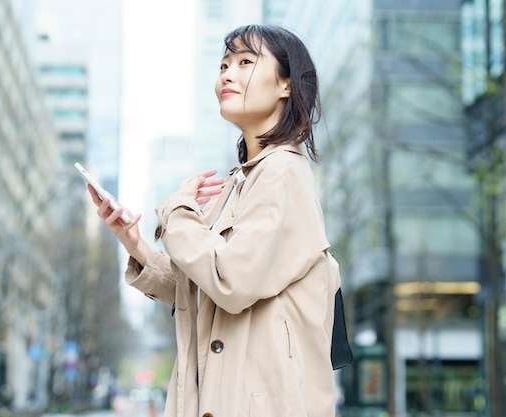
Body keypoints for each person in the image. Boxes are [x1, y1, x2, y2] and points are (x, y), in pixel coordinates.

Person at [89, 24, 339, 417]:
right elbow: (203, 288)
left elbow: (230, 279)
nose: (227, 73)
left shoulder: (282, 173)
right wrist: (135, 241)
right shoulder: (243, 181)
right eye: (224, 64)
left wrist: (176, 211)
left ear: (286, 86)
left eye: (245, 62)